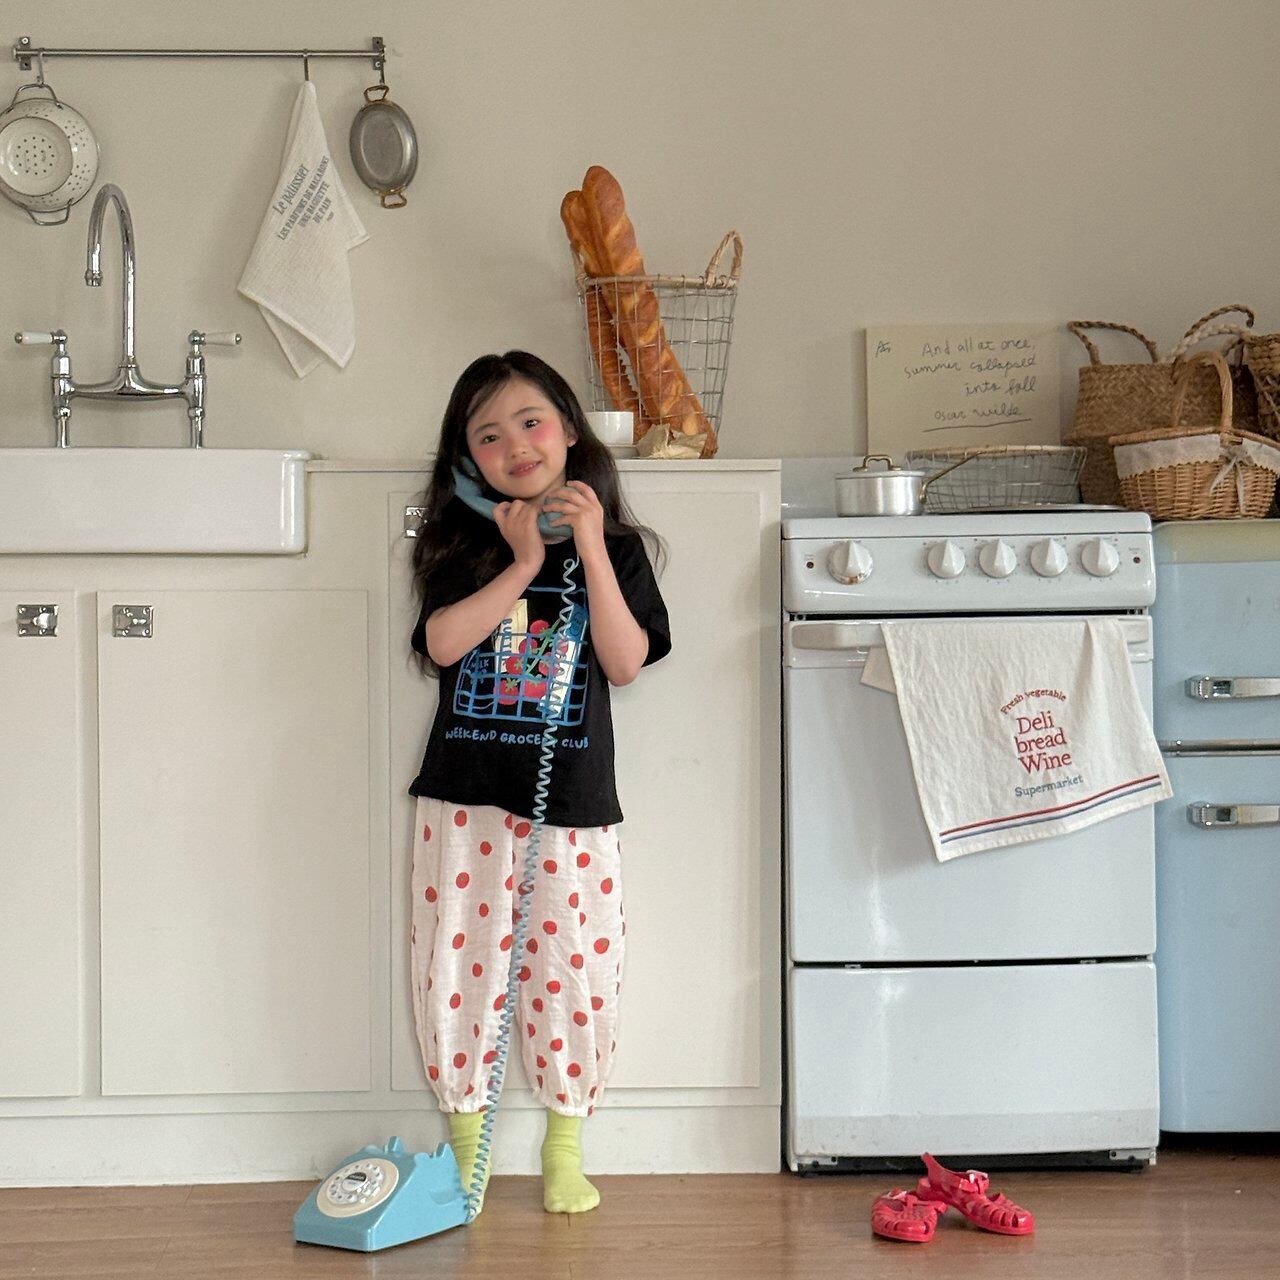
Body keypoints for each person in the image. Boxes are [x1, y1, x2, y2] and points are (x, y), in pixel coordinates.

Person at [407, 350, 671, 1215]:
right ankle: (466, 1149)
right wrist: (521, 563)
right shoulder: (462, 545)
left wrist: (587, 544)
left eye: (530, 422)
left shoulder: (618, 551)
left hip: (573, 803)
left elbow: (625, 662)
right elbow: (443, 645)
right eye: (488, 435)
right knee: (458, 958)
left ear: (568, 432)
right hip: (467, 796)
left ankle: (565, 1145)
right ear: (466, 460)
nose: (515, 445)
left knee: (574, 963)